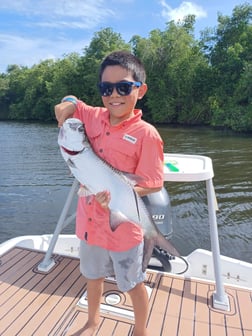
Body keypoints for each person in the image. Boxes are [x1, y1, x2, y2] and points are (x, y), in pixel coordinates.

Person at [55, 50, 164, 336]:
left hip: (125, 226)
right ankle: (92, 322)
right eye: (106, 88)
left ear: (140, 90)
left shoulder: (147, 134)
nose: (114, 94)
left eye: (123, 87)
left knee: (132, 283)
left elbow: (153, 182)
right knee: (93, 276)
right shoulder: (92, 117)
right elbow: (72, 102)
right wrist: (65, 105)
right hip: (90, 224)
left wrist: (119, 196)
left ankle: (140, 330)